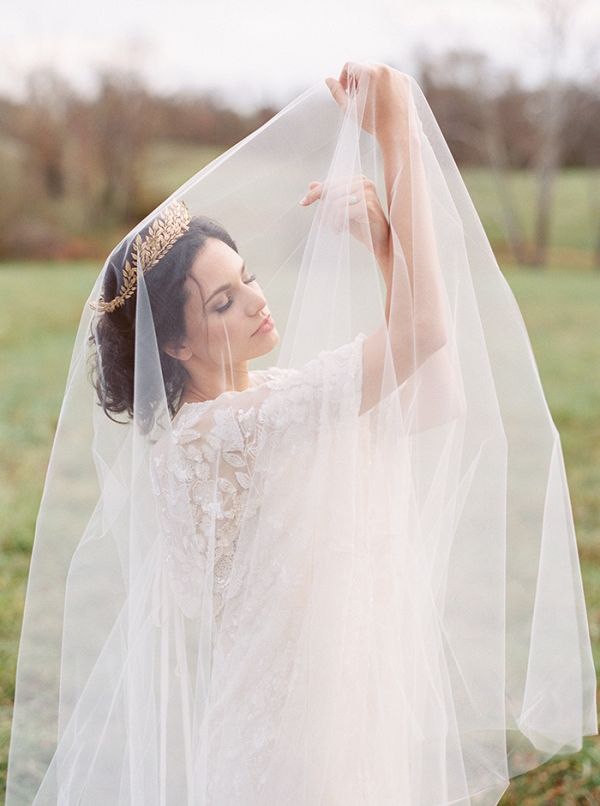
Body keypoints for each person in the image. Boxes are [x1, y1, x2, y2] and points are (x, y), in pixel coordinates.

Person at [6, 64, 596, 806]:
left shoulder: (277, 405)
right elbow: (424, 332)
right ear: (176, 348)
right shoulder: (218, 437)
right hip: (291, 738)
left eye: (247, 277)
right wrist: (396, 139)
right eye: (224, 301)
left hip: (350, 706)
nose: (257, 301)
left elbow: (435, 395)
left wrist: (385, 249)